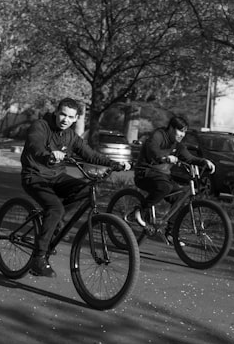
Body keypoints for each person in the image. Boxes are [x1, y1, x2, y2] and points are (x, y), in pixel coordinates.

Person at [20, 98, 130, 277]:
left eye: (70, 117)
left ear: (76, 118)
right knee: (55, 208)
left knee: (85, 190)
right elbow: (35, 144)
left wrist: (115, 164)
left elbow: (90, 154)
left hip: (57, 176)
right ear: (56, 112)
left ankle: (56, 226)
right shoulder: (40, 125)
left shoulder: (70, 136)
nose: (65, 119)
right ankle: (38, 259)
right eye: (62, 114)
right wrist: (48, 154)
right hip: (34, 176)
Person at [131, 115, 215, 244]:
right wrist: (165, 157)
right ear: (171, 128)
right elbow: (152, 150)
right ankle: (139, 210)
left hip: (162, 176)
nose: (182, 134)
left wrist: (204, 162)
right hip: (145, 173)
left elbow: (189, 158)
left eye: (184, 132)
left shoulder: (178, 145)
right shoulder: (158, 135)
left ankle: (170, 234)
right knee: (165, 187)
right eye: (180, 130)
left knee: (180, 197)